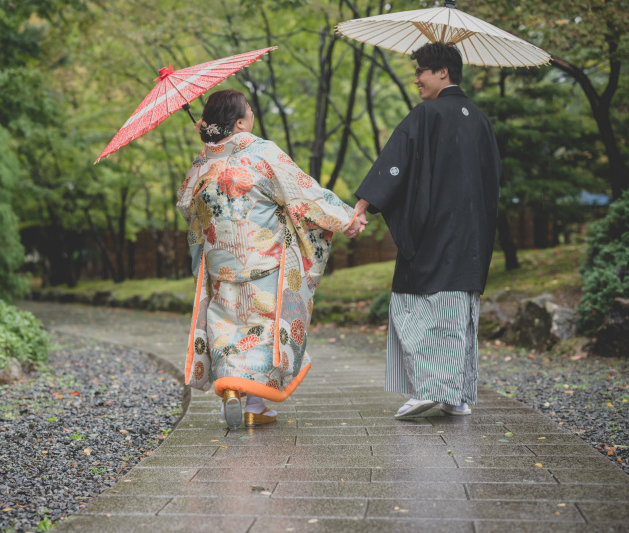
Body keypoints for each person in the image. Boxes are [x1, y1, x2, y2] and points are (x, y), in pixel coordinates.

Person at [178, 89, 362, 428]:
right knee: (261, 331)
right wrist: (345, 218)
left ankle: (231, 393)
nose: (253, 117)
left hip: (220, 265)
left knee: (226, 329)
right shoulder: (261, 152)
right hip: (263, 260)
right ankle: (254, 402)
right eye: (249, 111)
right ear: (239, 122)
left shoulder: (201, 164)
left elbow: (188, 210)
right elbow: (301, 191)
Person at [352, 42, 501, 419]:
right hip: (472, 235)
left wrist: (364, 204)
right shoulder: (481, 120)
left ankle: (430, 388)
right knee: (461, 311)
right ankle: (456, 396)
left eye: (421, 70)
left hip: (435, 230)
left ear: (443, 73)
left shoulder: (427, 114)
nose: (416, 78)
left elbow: (394, 164)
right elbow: (493, 182)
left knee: (423, 307)